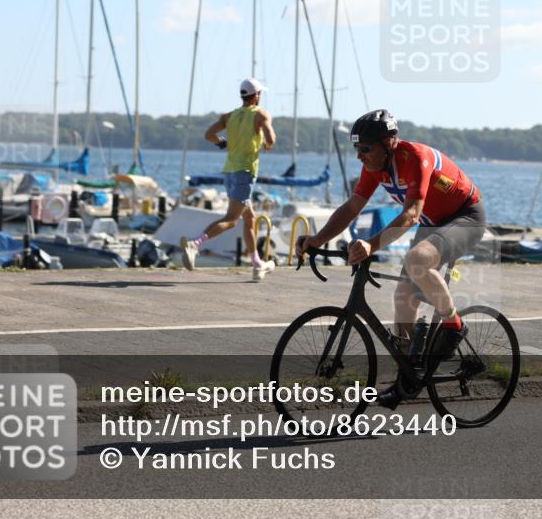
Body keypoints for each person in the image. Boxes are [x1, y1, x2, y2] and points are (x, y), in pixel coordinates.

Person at [295, 109, 485, 407]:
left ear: (389, 143)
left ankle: (454, 325)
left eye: (365, 148)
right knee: (403, 298)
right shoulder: (375, 167)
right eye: (356, 149)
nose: (359, 156)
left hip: (466, 217)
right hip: (433, 224)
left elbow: (411, 215)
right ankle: (407, 378)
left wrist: (371, 245)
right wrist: (317, 239)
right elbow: (352, 207)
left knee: (417, 260)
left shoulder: (415, 158)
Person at [181, 77, 277, 280]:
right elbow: (271, 138)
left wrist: (223, 143)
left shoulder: (229, 116)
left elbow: (209, 135)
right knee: (232, 220)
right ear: (257, 95)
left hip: (230, 171)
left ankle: (257, 264)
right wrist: (266, 144)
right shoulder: (261, 114)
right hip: (245, 172)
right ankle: (194, 244)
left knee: (249, 218)